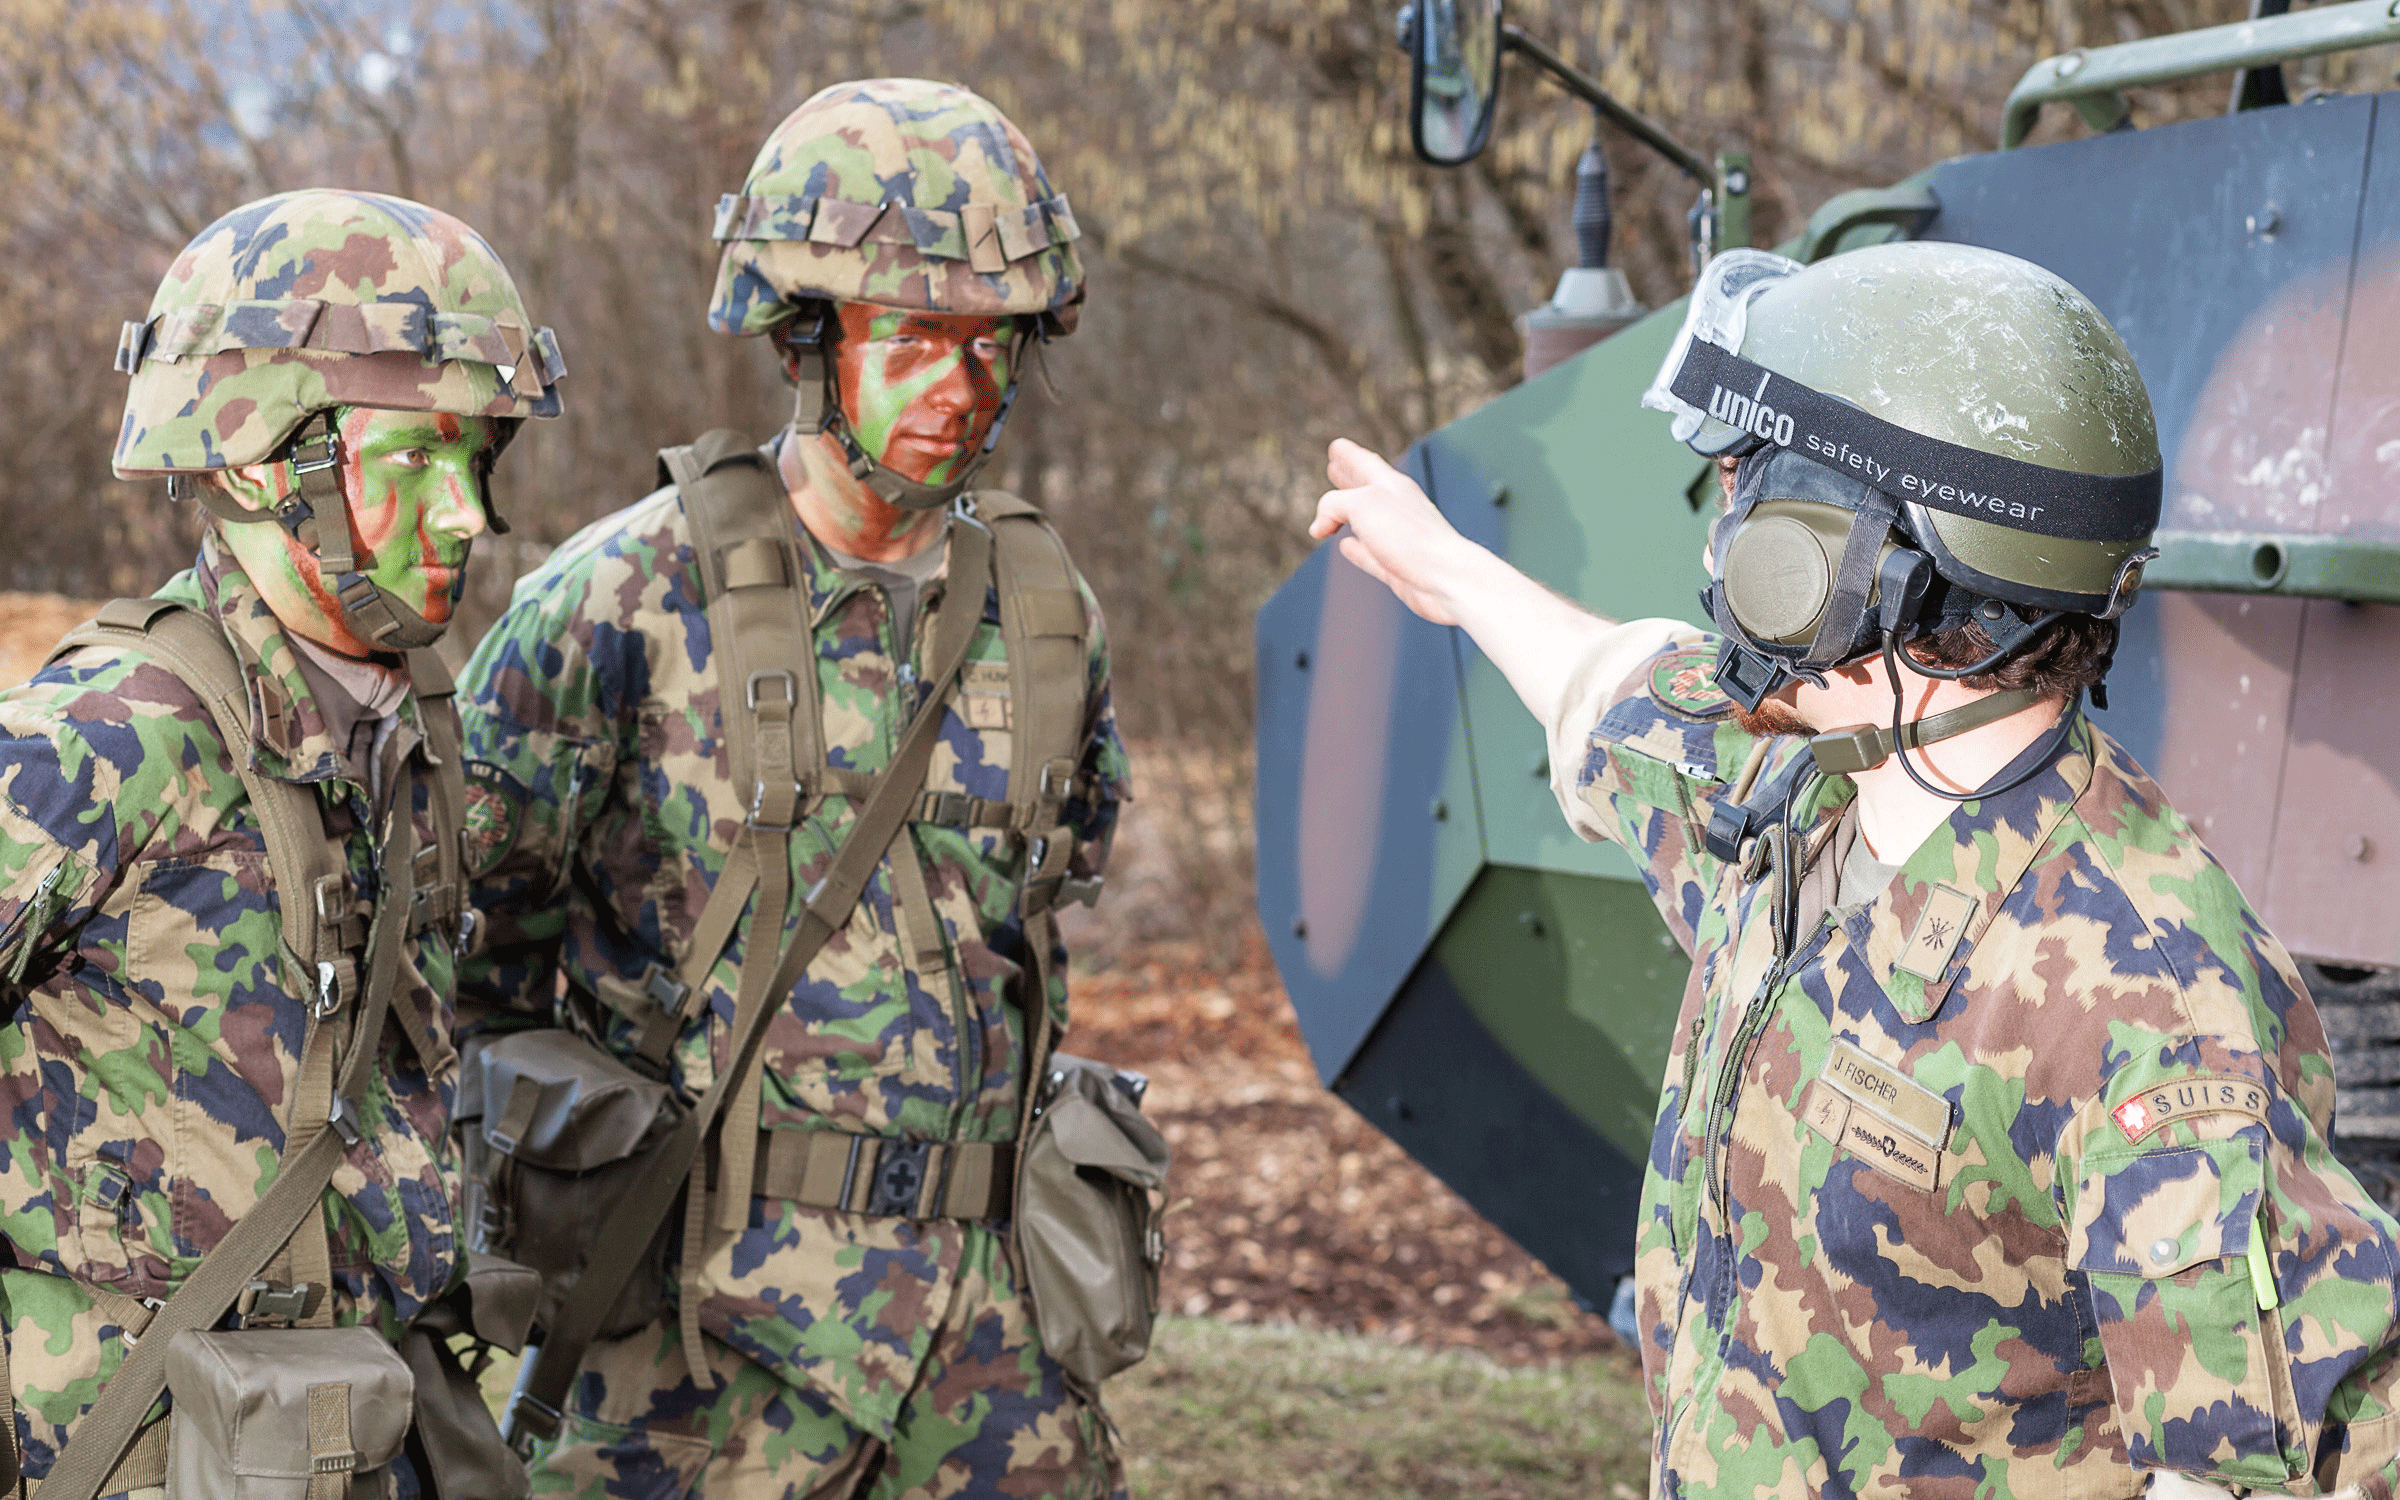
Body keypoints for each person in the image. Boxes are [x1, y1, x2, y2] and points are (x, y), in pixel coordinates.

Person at [1312, 240, 2400, 1497]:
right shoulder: (1801, 790)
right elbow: (1614, 692)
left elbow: (2287, 1463)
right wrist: (1445, 568)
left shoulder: (2146, 1003)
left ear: (1870, 573)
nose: (1725, 551)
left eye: (1753, 504)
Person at [454, 78, 1131, 1499]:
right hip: (703, 1351)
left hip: (992, 1357)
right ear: (807, 340)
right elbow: (471, 961)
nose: (964, 382)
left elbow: (1045, 895)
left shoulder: (1043, 605)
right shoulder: (619, 601)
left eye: (994, 342)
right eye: (915, 336)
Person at [0, 188, 563, 1498]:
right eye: (418, 456)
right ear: (257, 460)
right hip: (141, 1443)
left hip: (363, 1425)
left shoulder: (416, 726)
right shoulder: (106, 738)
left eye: (478, 458)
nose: (470, 513)